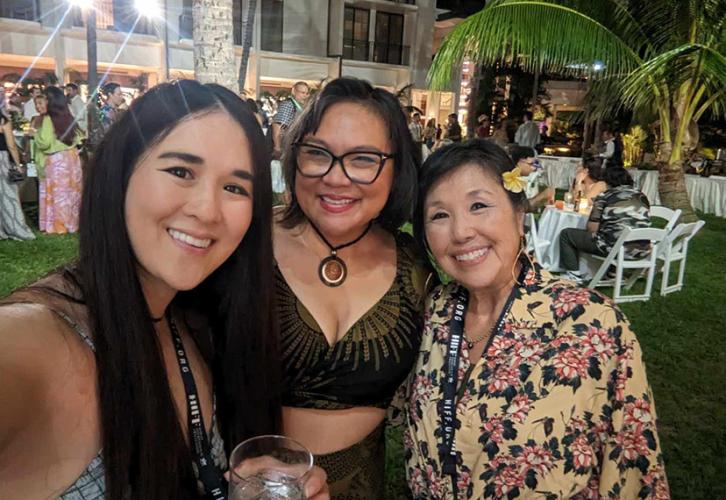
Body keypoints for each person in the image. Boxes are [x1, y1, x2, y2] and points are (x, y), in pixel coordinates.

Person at [0, 80, 328, 499]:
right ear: (120, 173)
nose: (207, 210)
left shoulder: (194, 319)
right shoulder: (36, 343)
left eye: (235, 188)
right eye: (180, 172)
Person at [395, 139, 669, 498]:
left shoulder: (592, 325)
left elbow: (633, 470)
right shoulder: (433, 312)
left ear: (519, 215)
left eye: (479, 205)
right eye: (439, 215)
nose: (461, 232)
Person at [274, 77, 430, 498]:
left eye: (363, 159)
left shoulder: (414, 262)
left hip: (363, 485)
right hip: (251, 481)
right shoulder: (245, 245)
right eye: (318, 154)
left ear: (397, 167)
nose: (335, 178)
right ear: (295, 158)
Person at [560, 166, 651, 283]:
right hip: (641, 250)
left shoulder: (605, 197)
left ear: (606, 181)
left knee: (567, 234)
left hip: (615, 249)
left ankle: (573, 273)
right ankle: (612, 273)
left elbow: (592, 229)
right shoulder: (642, 196)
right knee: (616, 233)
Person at [33, 86, 83, 234]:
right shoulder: (68, 116)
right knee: (71, 193)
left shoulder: (48, 119)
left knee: (57, 194)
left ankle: (57, 225)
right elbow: (79, 136)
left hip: (57, 160)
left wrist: (35, 134)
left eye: (45, 99)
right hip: (72, 158)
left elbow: (45, 142)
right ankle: (72, 223)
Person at [0, 99, 35, 240]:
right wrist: (18, 164)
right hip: (1, 159)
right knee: (8, 195)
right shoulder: (4, 121)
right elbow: (11, 145)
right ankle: (15, 227)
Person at [272, 81, 310, 160]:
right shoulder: (288, 105)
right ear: (294, 91)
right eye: (302, 92)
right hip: (285, 146)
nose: (305, 96)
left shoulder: (299, 106)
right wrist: (277, 147)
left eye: (306, 93)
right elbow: (277, 126)